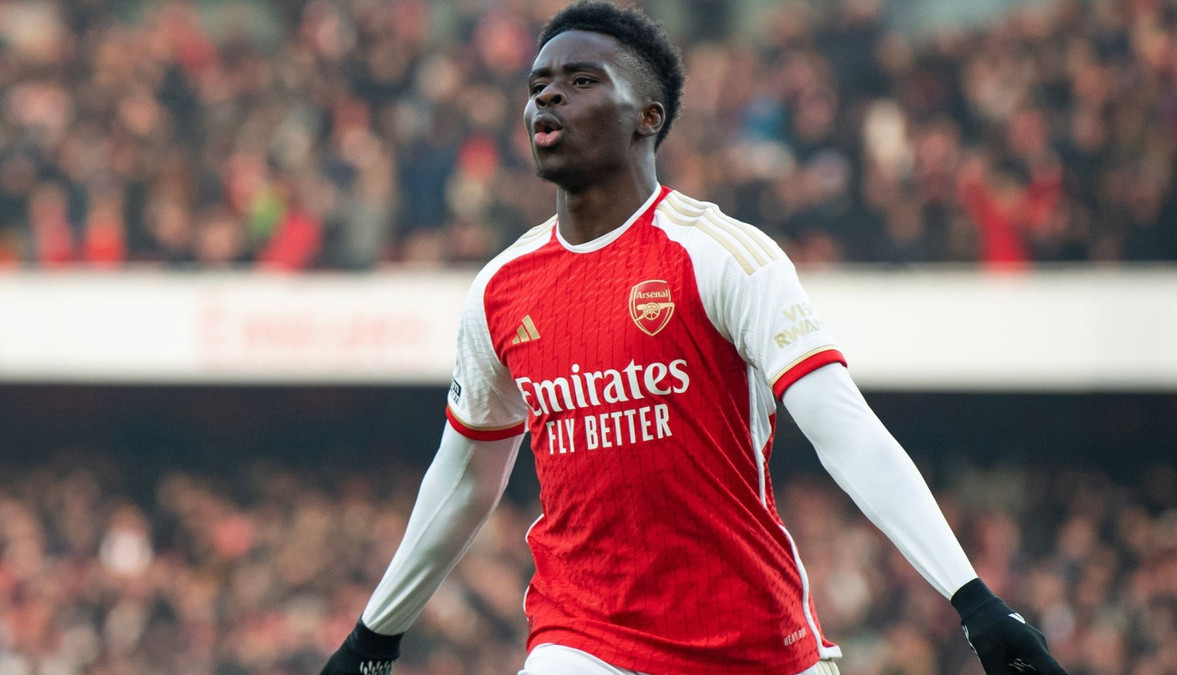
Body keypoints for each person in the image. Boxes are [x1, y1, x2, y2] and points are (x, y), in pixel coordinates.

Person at [320, 3, 1068, 674]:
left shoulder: (723, 256)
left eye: (581, 80)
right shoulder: (500, 289)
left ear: (647, 116)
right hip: (583, 637)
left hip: (755, 645)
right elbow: (463, 480)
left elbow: (845, 431)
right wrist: (372, 635)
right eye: (539, 83)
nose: (547, 95)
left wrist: (972, 598)